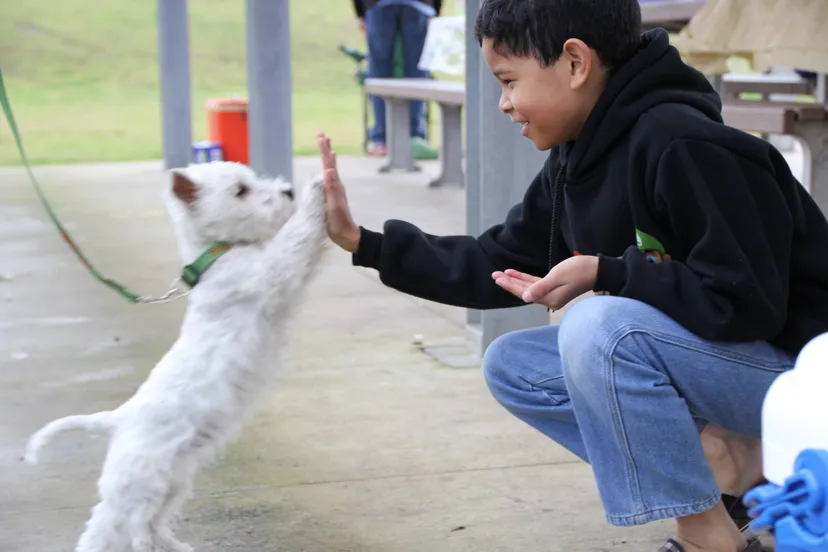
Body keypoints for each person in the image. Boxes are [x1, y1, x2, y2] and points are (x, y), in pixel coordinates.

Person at [319, 0, 828, 550]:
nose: (505, 104)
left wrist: (609, 273)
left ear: (575, 63)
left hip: (800, 379)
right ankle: (729, 466)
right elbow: (500, 257)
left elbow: (749, 303)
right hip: (731, 371)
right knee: (515, 365)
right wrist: (366, 244)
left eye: (509, 81)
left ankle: (708, 534)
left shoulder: (688, 144)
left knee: (601, 328)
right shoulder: (575, 156)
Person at [352, 0, 442, 156]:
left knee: (379, 72)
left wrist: (361, 13)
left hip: (377, 4)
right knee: (417, 70)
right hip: (419, 4)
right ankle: (414, 136)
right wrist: (435, 9)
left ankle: (381, 139)